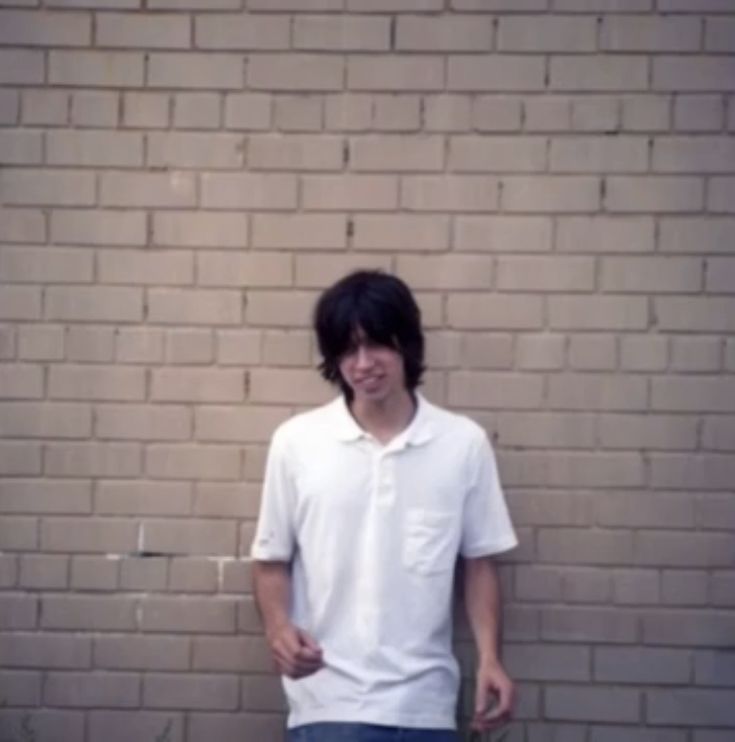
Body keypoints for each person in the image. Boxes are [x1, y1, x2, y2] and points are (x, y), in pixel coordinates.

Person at [251, 270, 518, 742]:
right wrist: (278, 630)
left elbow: (479, 563)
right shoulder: (297, 443)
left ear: (407, 345)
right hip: (324, 702)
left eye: (377, 344)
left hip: (425, 708)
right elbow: (271, 561)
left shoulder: (462, 444)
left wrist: (491, 659)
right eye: (347, 349)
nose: (363, 363)